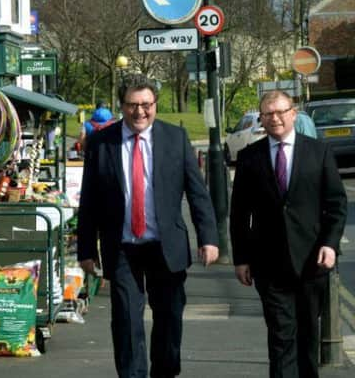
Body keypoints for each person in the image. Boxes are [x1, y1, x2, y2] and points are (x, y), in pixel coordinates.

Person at [77, 79, 219, 378]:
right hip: (123, 247)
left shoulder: (175, 138)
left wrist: (209, 238)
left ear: (155, 105)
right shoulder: (103, 143)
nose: (140, 112)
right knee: (127, 321)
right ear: (122, 106)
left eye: (146, 105)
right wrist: (86, 249)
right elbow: (89, 200)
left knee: (169, 319)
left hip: (165, 246)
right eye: (132, 105)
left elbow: (197, 193)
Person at [230, 90, 347, 378]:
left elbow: (336, 204)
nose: (275, 118)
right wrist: (241, 259)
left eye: (281, 111)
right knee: (281, 337)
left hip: (312, 261)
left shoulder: (318, 151)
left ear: (293, 113)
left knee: (308, 336)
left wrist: (330, 245)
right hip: (269, 263)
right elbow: (240, 214)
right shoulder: (249, 158)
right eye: (268, 114)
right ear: (261, 120)